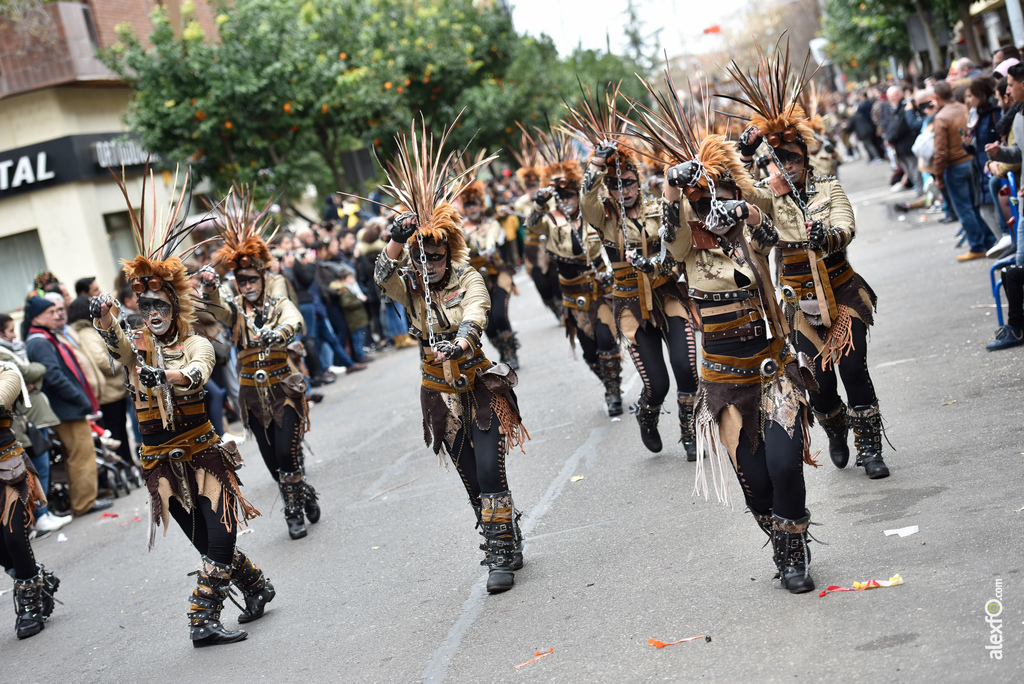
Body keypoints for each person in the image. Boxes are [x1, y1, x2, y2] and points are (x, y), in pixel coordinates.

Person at [625, 64, 821, 593]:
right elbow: (668, 242)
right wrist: (671, 189)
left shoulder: (749, 227)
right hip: (724, 378)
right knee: (756, 484)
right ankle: (781, 540)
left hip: (773, 368)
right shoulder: (686, 244)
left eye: (714, 194)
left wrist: (748, 208)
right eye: (698, 200)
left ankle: (796, 553)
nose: (707, 206)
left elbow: (781, 218)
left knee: (784, 466)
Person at [92, 172, 272, 647]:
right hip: (160, 462)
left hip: (203, 452)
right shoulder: (136, 345)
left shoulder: (198, 342)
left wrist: (165, 377)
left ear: (175, 304)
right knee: (203, 541)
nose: (152, 312)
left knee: (221, 536)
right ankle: (256, 586)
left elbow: (197, 373)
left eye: (159, 303)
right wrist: (103, 317)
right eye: (143, 303)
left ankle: (202, 618)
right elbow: (117, 346)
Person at [373, 119, 527, 593]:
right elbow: (382, 275)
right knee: (469, 480)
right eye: (424, 257)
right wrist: (398, 237)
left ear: (449, 250)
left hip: (477, 382)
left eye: (437, 256)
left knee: (489, 467)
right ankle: (504, 532)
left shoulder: (468, 276)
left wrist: (462, 339)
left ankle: (499, 555)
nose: (432, 264)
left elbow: (478, 311)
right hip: (437, 391)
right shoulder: (410, 284)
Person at [731, 65, 891, 481]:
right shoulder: (769, 194)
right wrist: (744, 154)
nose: (786, 165)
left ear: (805, 155)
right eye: (778, 159)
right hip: (799, 304)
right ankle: (836, 427)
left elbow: (846, 225)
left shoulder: (829, 186)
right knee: (820, 387)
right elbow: (744, 192)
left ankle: (870, 448)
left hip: (842, 292)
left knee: (854, 369)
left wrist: (827, 235)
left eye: (792, 157)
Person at [564, 87, 700, 458]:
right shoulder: (603, 217)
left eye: (626, 182)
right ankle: (648, 413)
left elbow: (682, 240)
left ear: (638, 181)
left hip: (667, 292)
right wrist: (595, 165)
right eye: (614, 184)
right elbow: (584, 201)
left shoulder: (660, 207)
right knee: (657, 383)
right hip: (628, 303)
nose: (621, 189)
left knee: (686, 368)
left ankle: (690, 432)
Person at [202, 186, 322, 541]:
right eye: (241, 281)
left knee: (287, 452)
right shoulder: (234, 306)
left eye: (253, 279)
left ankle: (293, 513)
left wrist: (280, 332)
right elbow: (217, 310)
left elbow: (292, 316)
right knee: (274, 463)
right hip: (253, 396)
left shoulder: (277, 295)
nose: (248, 285)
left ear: (263, 277)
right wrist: (209, 288)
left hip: (284, 388)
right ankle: (306, 493)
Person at [525, 133, 624, 416]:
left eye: (571, 195)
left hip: (601, 287)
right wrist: (538, 204)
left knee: (606, 340)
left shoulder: (593, 214)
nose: (567, 200)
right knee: (590, 351)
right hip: (573, 294)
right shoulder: (550, 220)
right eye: (562, 196)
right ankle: (607, 380)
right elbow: (531, 227)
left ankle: (613, 392)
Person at [23, 296, 112, 515]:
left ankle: (83, 500)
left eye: (57, 311)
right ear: (36, 317)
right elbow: (54, 377)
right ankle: (84, 503)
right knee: (81, 455)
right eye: (50, 313)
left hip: (66, 407)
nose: (57, 315)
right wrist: (79, 399)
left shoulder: (45, 338)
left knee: (79, 454)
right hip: (66, 408)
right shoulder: (40, 341)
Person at [0, 362, 60, 638]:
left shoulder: (7, 371)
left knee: (14, 536)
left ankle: (30, 605)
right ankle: (39, 579)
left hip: (6, 467)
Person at [0, 314, 69, 533]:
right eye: (10, 331)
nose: (14, 335)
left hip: (27, 419)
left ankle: (40, 515)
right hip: (21, 423)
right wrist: (28, 376)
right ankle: (38, 517)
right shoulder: (4, 353)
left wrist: (29, 377)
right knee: (32, 470)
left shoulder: (13, 350)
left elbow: (29, 376)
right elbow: (27, 373)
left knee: (37, 468)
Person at [932, 79, 996, 260]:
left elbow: (940, 151)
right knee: (977, 205)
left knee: (965, 208)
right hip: (971, 161)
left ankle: (977, 245)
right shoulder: (963, 108)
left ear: (937, 97)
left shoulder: (941, 117)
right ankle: (989, 241)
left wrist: (938, 175)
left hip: (955, 166)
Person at [460, 180, 521, 370]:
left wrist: (487, 248)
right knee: (488, 322)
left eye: (475, 204)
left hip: (497, 273)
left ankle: (511, 353)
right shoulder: (461, 229)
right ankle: (502, 350)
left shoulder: (492, 223)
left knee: (499, 315)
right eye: (468, 206)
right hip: (475, 279)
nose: (472, 209)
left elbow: (494, 237)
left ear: (481, 205)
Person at [512, 135, 562, 321]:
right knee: (541, 284)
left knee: (556, 280)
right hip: (532, 247)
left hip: (550, 242)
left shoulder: (548, 198)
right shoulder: (520, 203)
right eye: (529, 185)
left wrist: (542, 200)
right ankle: (552, 306)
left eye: (535, 184)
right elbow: (522, 217)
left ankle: (562, 307)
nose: (532, 187)